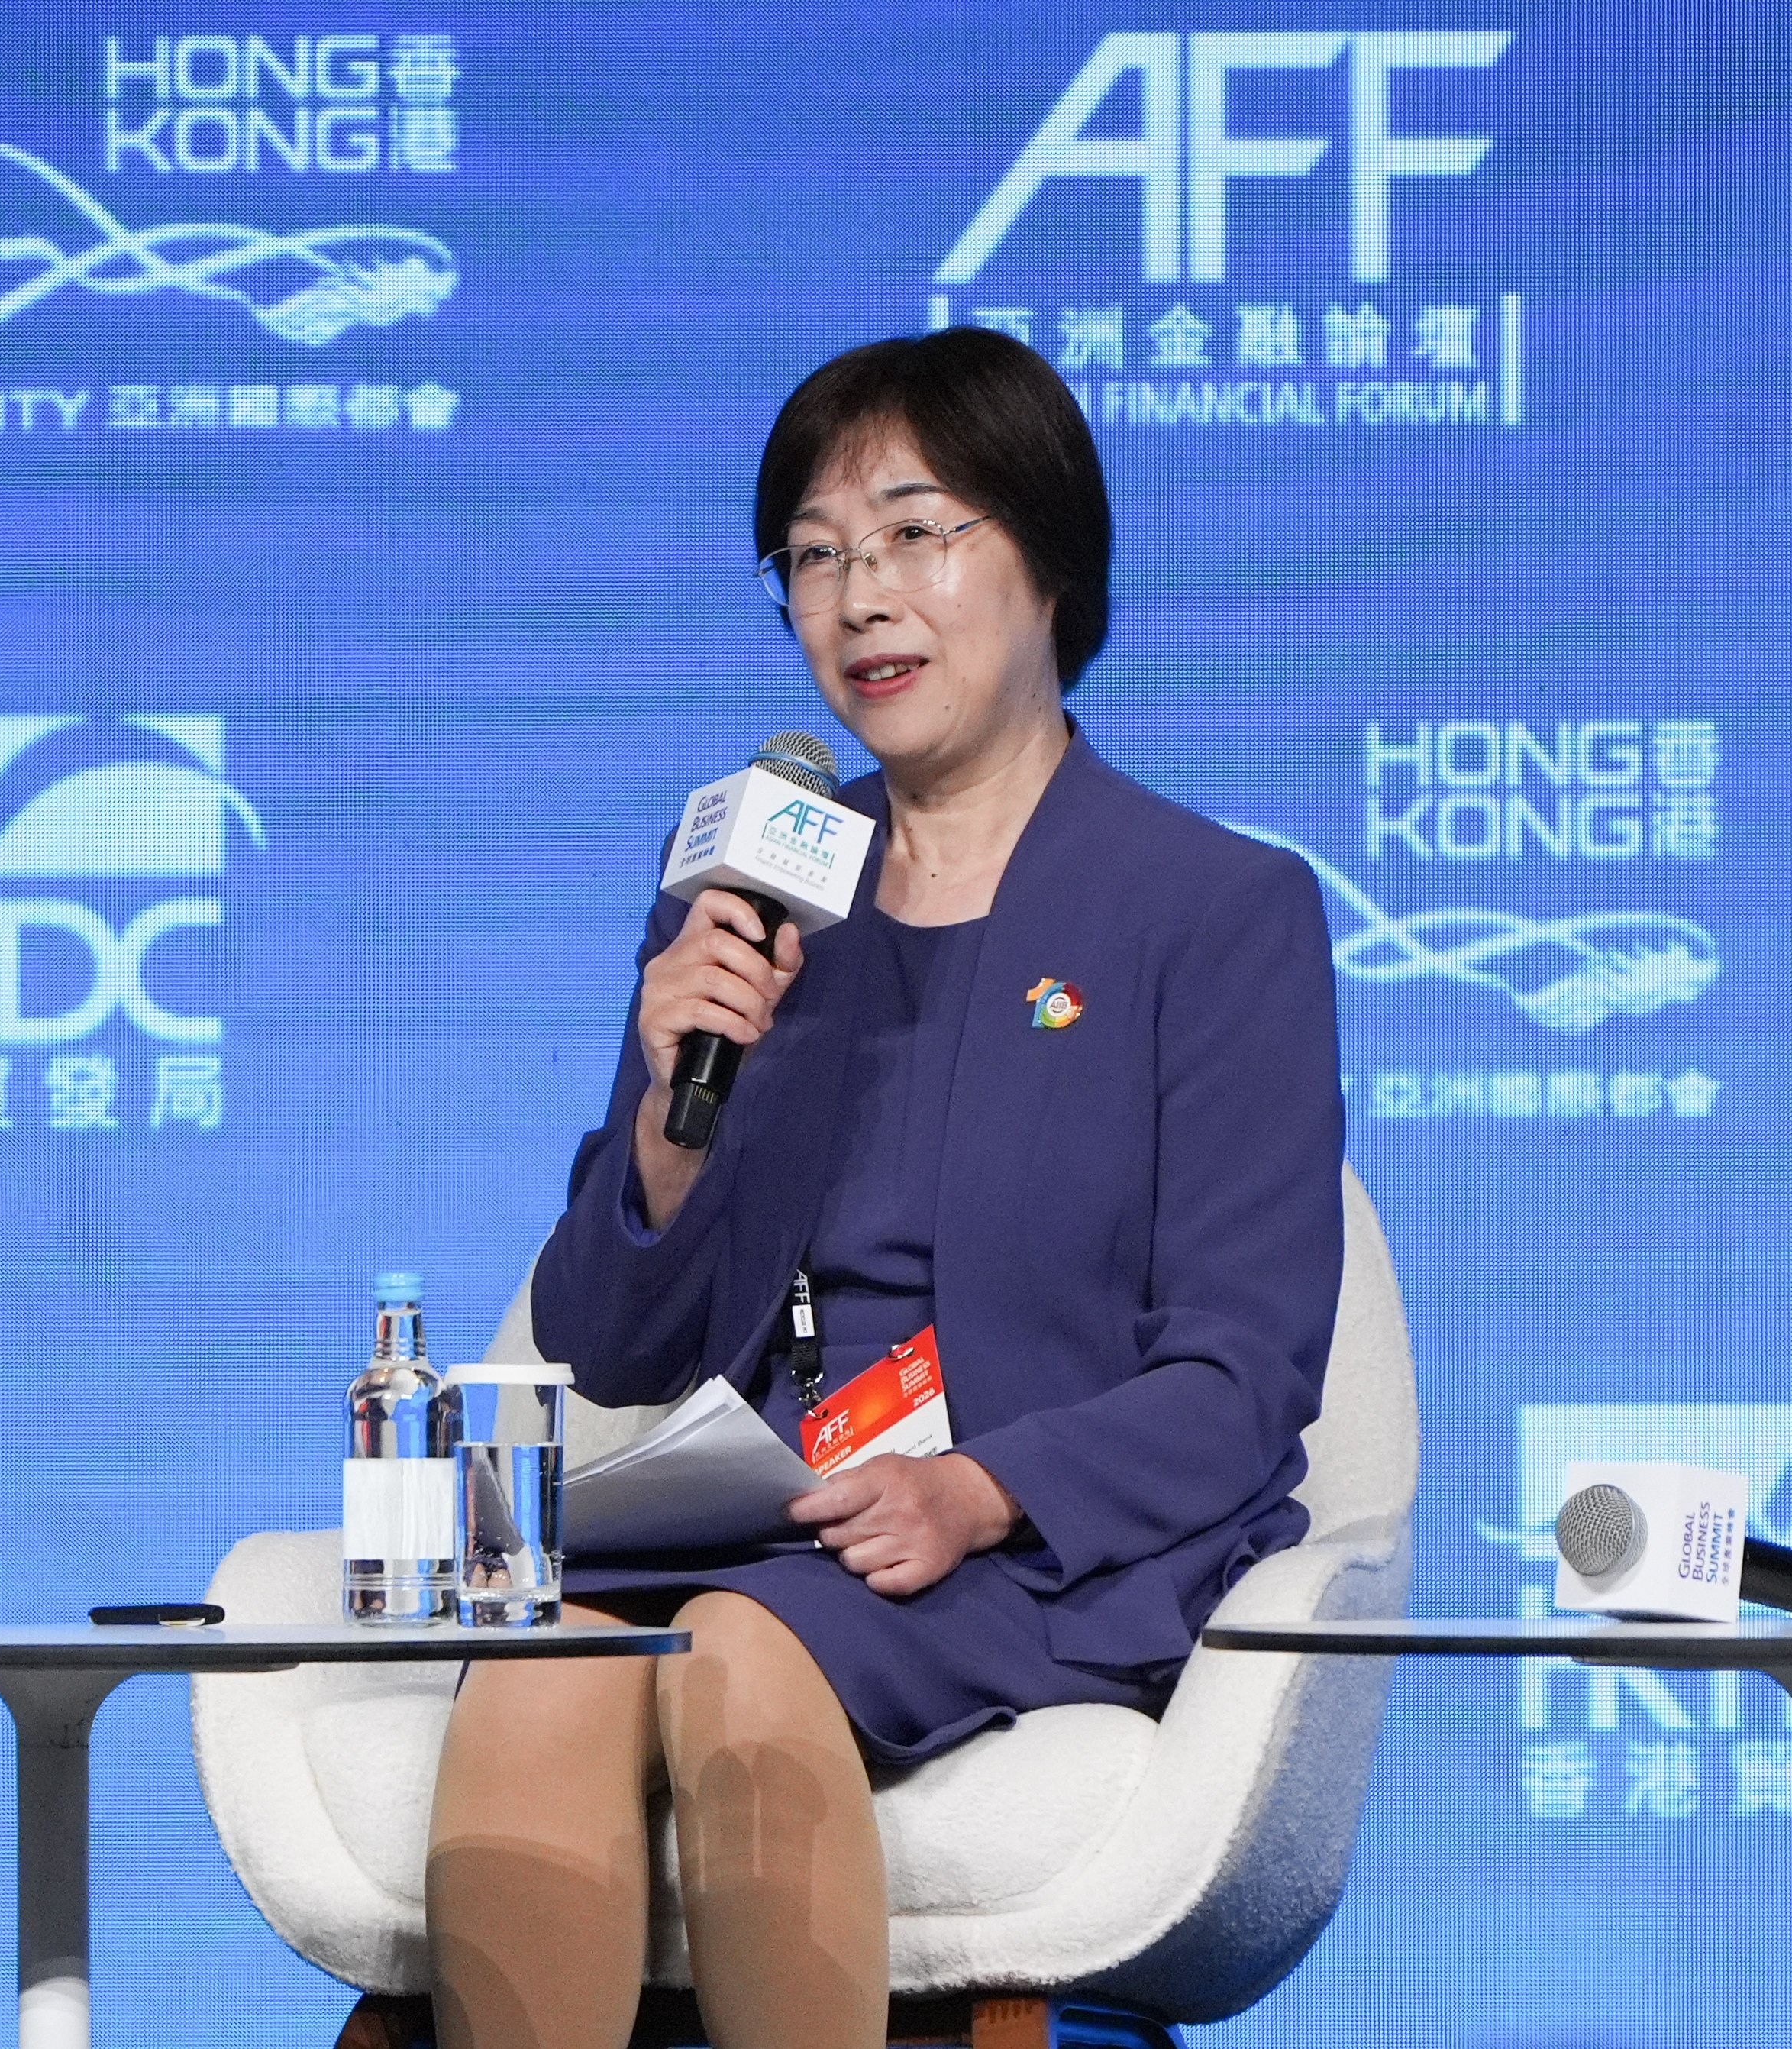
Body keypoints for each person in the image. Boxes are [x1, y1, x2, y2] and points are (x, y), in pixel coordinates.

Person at [423, 328, 1343, 2049]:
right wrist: (671, 1128)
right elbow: (610, 1343)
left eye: (917, 532)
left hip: (1046, 1548)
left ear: (1051, 559)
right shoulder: (759, 899)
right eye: (818, 555)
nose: (862, 597)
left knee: (740, 1656)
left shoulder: (1215, 911)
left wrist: (984, 1488)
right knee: (549, 1661)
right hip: (777, 1523)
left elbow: (1243, 1373)